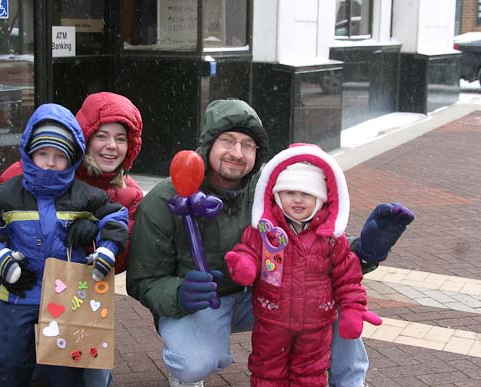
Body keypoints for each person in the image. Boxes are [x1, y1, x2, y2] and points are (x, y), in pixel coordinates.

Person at [126, 98, 414, 387]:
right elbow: (143, 279)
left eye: (247, 145)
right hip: (204, 301)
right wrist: (179, 293)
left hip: (265, 293)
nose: (236, 153)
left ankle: (350, 381)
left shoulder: (270, 189)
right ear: (209, 144)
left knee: (330, 297)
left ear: (257, 152)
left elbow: (316, 243)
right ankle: (188, 372)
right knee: (193, 362)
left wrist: (365, 250)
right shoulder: (166, 199)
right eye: (227, 140)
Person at [0, 92, 143, 386]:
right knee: (20, 358)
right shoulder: (24, 175)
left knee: (86, 374)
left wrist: (96, 244)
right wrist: (0, 263)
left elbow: (122, 254)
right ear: (85, 138)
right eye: (102, 135)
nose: (111, 145)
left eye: (121, 138)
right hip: (15, 284)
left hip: (74, 290)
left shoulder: (127, 194)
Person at [224, 143, 382, 386]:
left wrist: (352, 308)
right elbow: (249, 251)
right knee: (267, 372)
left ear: (321, 200)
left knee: (309, 375)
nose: (297, 200)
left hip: (316, 327)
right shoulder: (265, 232)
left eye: (307, 195)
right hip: (271, 321)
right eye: (289, 193)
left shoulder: (331, 240)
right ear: (276, 195)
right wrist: (244, 264)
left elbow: (347, 278)